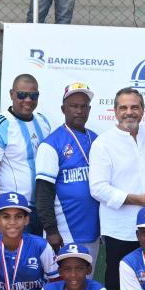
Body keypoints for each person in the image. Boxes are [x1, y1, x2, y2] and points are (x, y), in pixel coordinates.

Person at [89, 87, 145, 290]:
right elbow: (98, 188)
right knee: (118, 285)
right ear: (115, 111)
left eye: (134, 107)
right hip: (120, 229)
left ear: (143, 111)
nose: (129, 112)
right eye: (123, 107)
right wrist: (137, 200)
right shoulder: (103, 144)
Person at [0, 74, 52, 235]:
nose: (28, 100)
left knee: (35, 259)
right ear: (11, 94)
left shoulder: (43, 122)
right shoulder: (0, 124)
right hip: (12, 211)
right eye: (22, 95)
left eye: (33, 95)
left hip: (40, 209)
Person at [35, 82, 100, 255]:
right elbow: (43, 192)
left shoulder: (97, 140)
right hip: (65, 232)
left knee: (87, 280)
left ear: (89, 110)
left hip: (93, 230)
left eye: (83, 106)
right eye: (73, 106)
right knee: (64, 281)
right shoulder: (51, 144)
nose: (79, 111)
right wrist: (51, 231)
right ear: (63, 109)